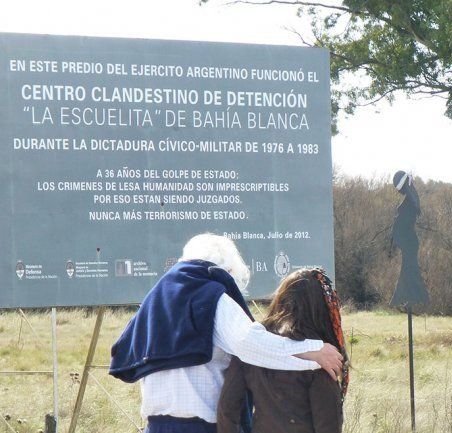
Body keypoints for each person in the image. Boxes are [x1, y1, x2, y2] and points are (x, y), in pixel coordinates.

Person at [109, 233, 344, 433]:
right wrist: (313, 351)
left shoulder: (155, 300)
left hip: (156, 425)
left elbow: (122, 354)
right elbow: (248, 343)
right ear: (228, 269)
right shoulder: (210, 295)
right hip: (200, 427)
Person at [217, 268, 348, 433]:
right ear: (321, 307)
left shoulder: (253, 348)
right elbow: (328, 425)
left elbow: (227, 410)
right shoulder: (322, 356)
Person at [389, 170, 430, 307]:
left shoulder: (410, 202)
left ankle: (406, 298)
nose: (399, 192)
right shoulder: (411, 200)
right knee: (409, 270)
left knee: (409, 270)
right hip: (408, 242)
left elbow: (404, 223)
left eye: (399, 188)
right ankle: (412, 298)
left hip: (409, 242)